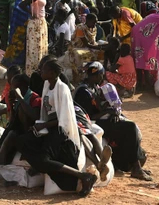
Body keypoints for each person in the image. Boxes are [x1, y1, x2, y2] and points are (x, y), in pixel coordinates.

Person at [15, 60, 98, 196]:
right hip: (48, 126)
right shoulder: (47, 85)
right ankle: (39, 166)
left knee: (43, 159)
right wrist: (39, 125)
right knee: (21, 141)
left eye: (44, 70)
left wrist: (44, 125)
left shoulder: (62, 88)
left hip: (60, 131)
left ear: (52, 73)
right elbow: (45, 111)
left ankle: (83, 176)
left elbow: (64, 118)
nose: (41, 72)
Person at [75, 62, 151, 180]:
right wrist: (107, 113)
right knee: (130, 127)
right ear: (97, 75)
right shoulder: (83, 92)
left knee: (126, 124)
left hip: (100, 119)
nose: (102, 78)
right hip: (90, 124)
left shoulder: (93, 87)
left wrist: (113, 113)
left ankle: (131, 164)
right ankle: (136, 168)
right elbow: (87, 116)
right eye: (101, 75)